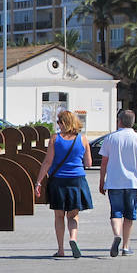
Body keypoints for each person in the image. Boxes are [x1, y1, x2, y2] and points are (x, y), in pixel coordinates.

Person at [36, 110, 93, 258]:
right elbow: (88, 163)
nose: (58, 125)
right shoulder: (83, 139)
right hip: (77, 180)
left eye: (59, 122)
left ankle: (61, 249)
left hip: (58, 180)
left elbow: (48, 162)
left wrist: (38, 182)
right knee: (73, 216)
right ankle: (73, 238)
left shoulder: (55, 139)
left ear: (63, 123)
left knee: (59, 216)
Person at [98, 109, 137, 257]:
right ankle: (126, 247)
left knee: (115, 213)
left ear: (119, 121)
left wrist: (102, 181)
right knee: (129, 216)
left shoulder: (110, 139)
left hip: (114, 182)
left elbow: (103, 163)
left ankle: (116, 235)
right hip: (133, 183)